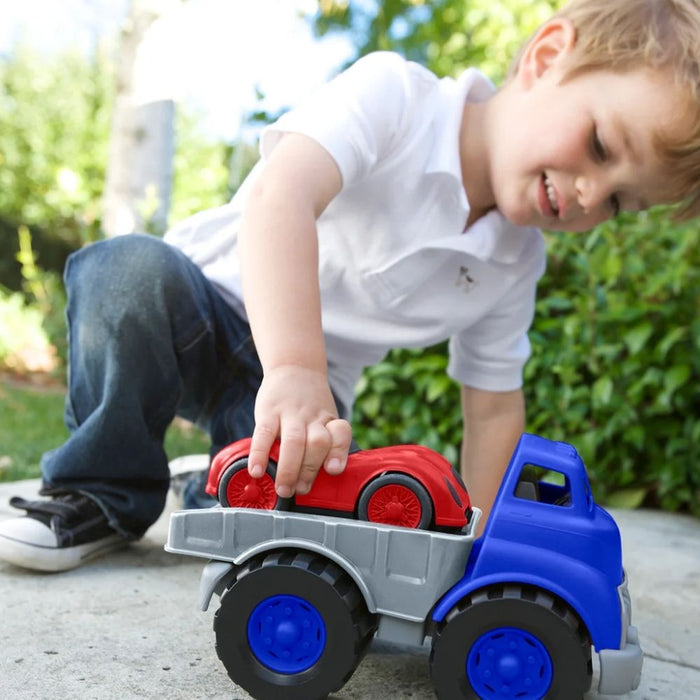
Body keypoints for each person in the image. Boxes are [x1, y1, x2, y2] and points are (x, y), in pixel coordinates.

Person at [1, 0, 699, 572]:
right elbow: (283, 196)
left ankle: (213, 481)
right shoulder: (397, 97)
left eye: (619, 204)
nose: (589, 194)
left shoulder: (513, 263)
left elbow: (491, 412)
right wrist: (295, 366)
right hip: (202, 306)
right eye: (604, 148)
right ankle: (99, 491)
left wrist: (482, 549)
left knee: (285, 525)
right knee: (124, 273)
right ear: (547, 57)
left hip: (308, 396)